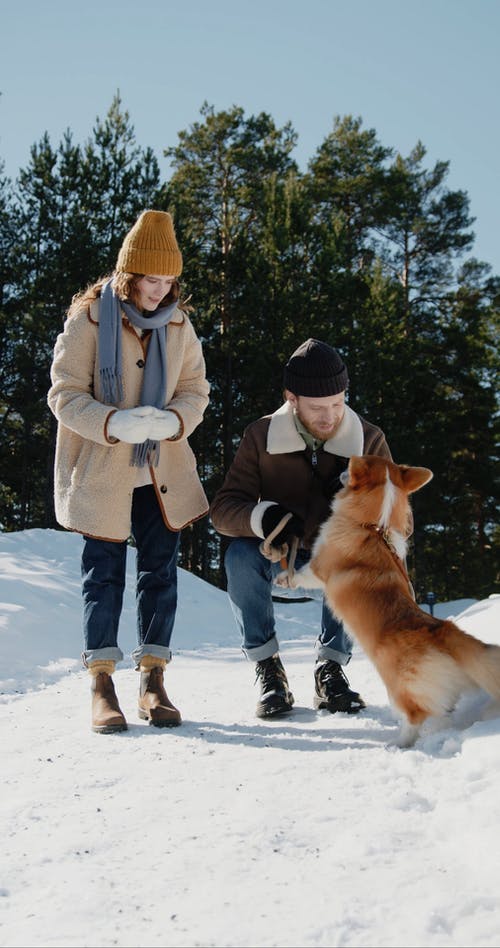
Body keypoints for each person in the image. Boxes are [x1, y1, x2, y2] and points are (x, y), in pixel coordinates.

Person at [48, 209, 210, 733]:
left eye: (168, 281)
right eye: (151, 280)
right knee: (104, 575)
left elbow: (196, 391)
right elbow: (64, 395)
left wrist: (172, 419)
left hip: (161, 473)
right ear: (129, 274)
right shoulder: (90, 318)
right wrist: (115, 422)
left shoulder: (180, 326)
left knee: (159, 574)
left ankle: (153, 680)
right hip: (103, 470)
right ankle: (101, 682)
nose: (160, 291)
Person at [210, 338, 392, 719]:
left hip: (337, 564)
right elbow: (223, 510)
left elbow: (398, 522)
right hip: (278, 558)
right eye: (316, 408)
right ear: (291, 398)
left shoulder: (369, 439)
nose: (329, 417)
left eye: (337, 405)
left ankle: (330, 671)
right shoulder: (260, 436)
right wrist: (263, 517)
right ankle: (269, 669)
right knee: (238, 556)